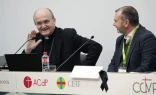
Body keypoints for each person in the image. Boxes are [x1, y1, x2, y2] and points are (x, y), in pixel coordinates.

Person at [23, 8, 102, 71]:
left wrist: (82, 71)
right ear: (35, 25)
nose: (43, 26)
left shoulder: (68, 35)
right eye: (39, 23)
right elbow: (21, 68)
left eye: (46, 21)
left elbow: (95, 47)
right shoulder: (35, 39)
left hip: (65, 85)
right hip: (42, 85)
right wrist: (27, 51)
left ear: (54, 21)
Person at [108, 6, 156, 72]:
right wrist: (111, 78)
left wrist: (128, 79)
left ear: (126, 23)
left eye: (116, 21)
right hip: (118, 81)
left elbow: (147, 66)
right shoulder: (119, 40)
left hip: (136, 81)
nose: (114, 24)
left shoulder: (147, 38)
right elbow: (113, 64)